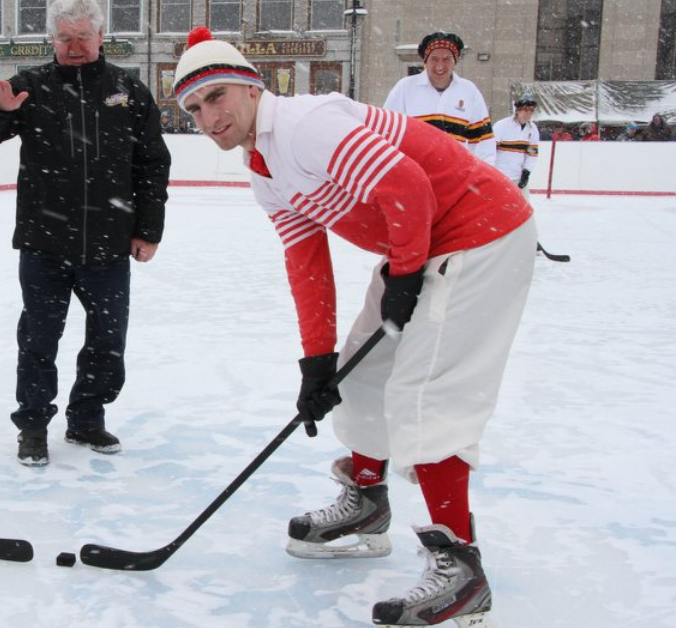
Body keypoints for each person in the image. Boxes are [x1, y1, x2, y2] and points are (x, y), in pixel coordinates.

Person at [173, 27, 535, 627]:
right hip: (415, 245)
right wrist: (317, 363)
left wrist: (406, 277)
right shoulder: (263, 166)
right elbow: (305, 260)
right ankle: (367, 501)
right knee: (362, 375)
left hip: (480, 231)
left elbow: (407, 186)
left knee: (426, 393)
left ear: (249, 86)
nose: (208, 118)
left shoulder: (304, 125)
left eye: (216, 97)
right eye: (192, 108)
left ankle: (463, 571)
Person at [0, 0, 170, 466]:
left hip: (109, 244)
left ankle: (86, 419)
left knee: (107, 338)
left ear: (101, 38)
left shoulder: (128, 90)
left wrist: (148, 230)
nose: (75, 48)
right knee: (38, 338)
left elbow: (153, 164)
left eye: (83, 37)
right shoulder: (31, 86)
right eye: (65, 39)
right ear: (51, 40)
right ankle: (33, 426)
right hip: (44, 243)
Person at [383, 32, 495, 165]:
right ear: (426, 62)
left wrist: (481, 177)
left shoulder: (469, 91)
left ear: (455, 61)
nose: (440, 65)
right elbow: (387, 131)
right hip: (416, 173)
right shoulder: (405, 88)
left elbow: (483, 142)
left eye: (446, 59)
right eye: (434, 58)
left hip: (456, 175)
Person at [492, 93, 539, 197]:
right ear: (518, 110)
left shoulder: (533, 129)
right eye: (525, 110)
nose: (528, 114)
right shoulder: (501, 126)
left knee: (525, 211)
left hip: (518, 178)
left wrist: (526, 172)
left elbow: (532, 154)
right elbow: (490, 151)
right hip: (500, 176)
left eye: (531, 111)